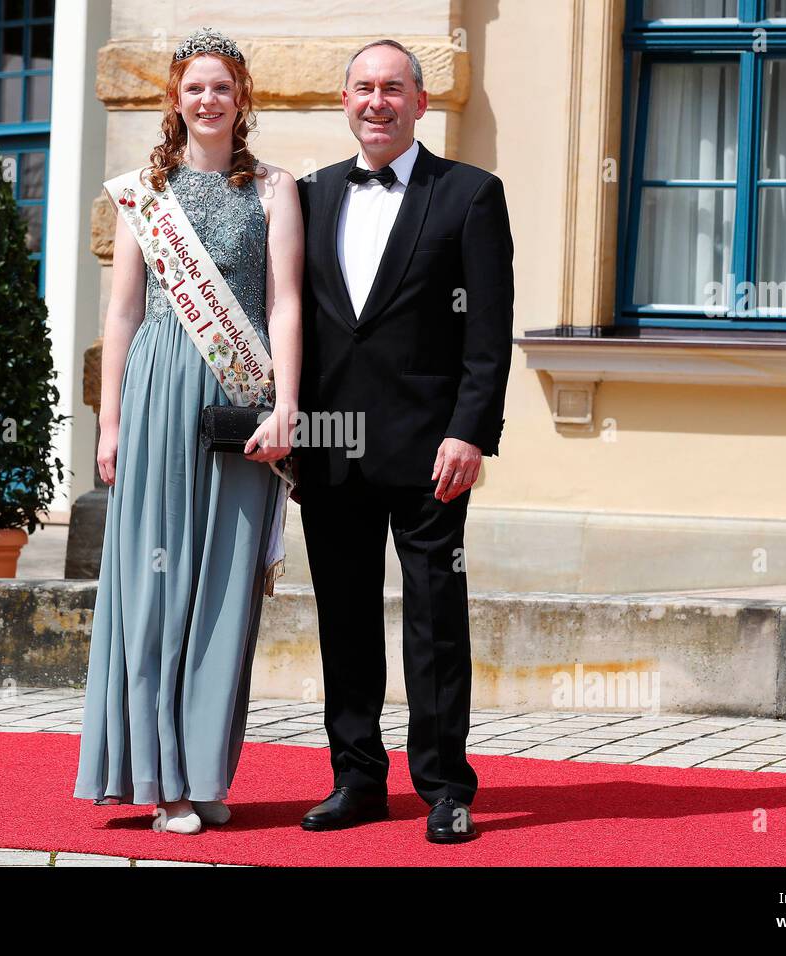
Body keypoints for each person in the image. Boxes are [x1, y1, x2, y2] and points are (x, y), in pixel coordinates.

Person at [73, 27, 304, 835]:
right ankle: (158, 778)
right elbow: (125, 310)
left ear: (243, 100)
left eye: (223, 86)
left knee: (226, 585)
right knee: (156, 581)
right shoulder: (145, 192)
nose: (209, 99)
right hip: (161, 388)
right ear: (177, 98)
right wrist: (110, 421)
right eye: (195, 86)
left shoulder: (276, 188)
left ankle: (202, 770)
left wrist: (286, 405)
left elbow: (284, 304)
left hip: (239, 398)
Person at [296, 39, 513, 843]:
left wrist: (472, 432)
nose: (376, 102)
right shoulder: (311, 195)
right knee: (343, 618)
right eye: (362, 88)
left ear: (420, 102)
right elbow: (298, 330)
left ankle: (446, 786)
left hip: (431, 450)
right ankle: (355, 778)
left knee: (433, 619)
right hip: (329, 447)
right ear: (345, 101)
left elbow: (489, 335)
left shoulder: (470, 195)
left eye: (393, 88)